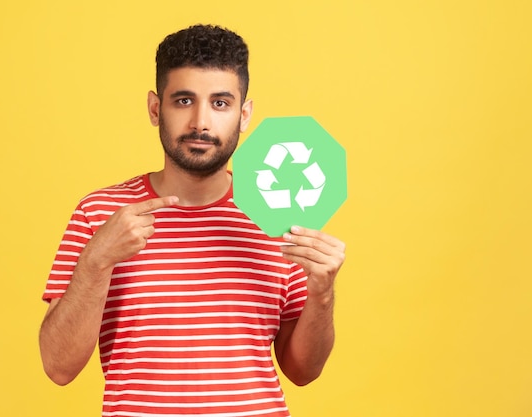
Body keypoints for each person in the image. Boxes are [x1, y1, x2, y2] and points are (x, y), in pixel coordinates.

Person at [39, 24, 346, 417]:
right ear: (155, 108)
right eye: (184, 101)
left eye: (220, 103)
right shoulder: (100, 213)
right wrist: (96, 261)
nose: (201, 122)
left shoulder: (279, 214)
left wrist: (322, 291)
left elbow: (303, 371)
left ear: (245, 113)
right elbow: (57, 367)